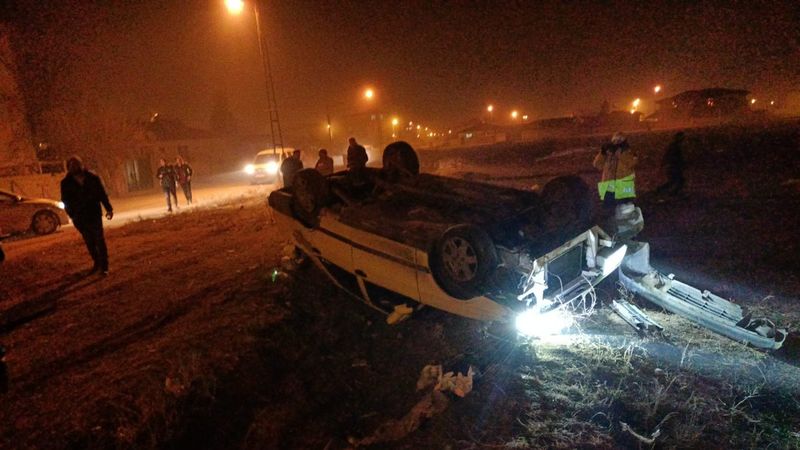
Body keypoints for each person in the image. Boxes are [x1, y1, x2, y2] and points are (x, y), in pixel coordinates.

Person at [60, 156, 113, 275]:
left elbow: (102, 194)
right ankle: (97, 262)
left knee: (99, 240)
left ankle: (104, 266)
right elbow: (65, 200)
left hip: (94, 213)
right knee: (89, 241)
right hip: (80, 217)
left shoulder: (92, 178)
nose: (74, 167)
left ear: (81, 165)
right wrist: (72, 215)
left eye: (76, 164)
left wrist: (108, 208)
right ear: (68, 168)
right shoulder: (66, 183)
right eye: (71, 165)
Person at [655, 131, 686, 197]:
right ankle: (671, 192)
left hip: (673, 166)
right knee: (678, 181)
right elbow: (674, 156)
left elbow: (667, 155)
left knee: (674, 181)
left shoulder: (674, 146)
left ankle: (663, 190)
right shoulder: (675, 147)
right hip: (674, 166)